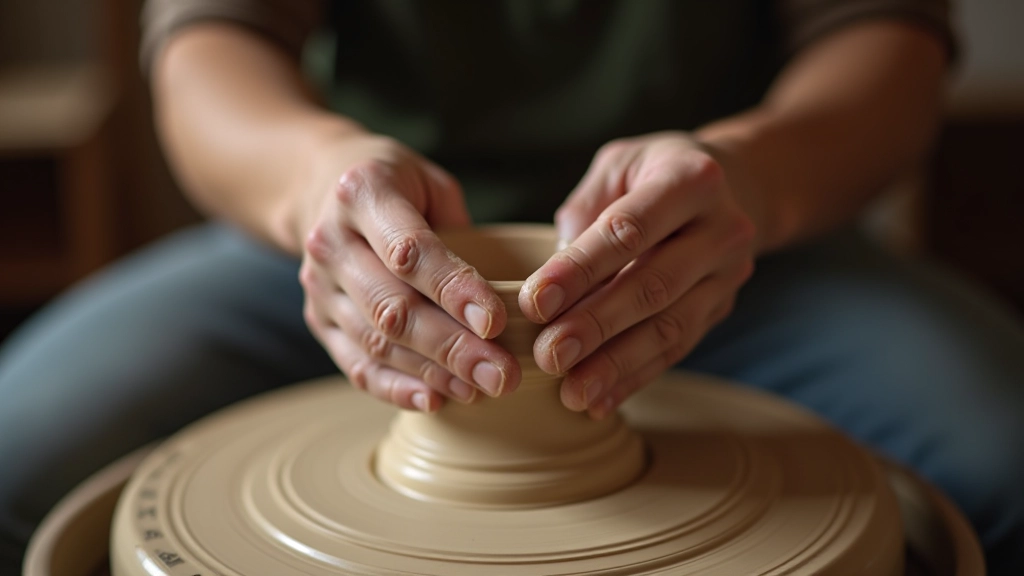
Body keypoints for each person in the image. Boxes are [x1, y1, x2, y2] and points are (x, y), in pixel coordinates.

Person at [1, 0, 1022, 573]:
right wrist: (317, 180)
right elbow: (206, 52)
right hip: (354, 248)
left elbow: (884, 51)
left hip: (726, 239)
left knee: (1005, 468)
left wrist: (749, 173)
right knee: (16, 455)